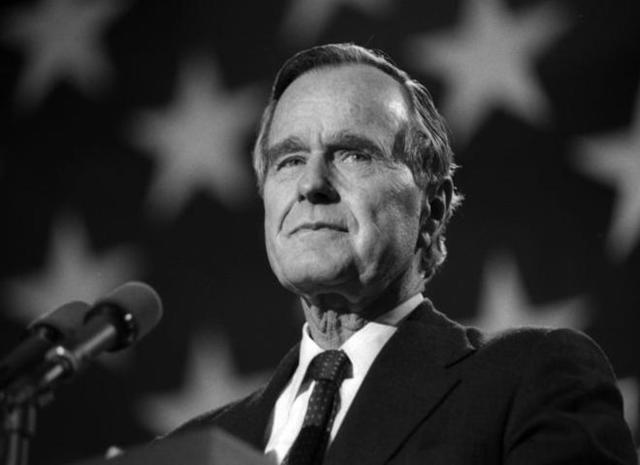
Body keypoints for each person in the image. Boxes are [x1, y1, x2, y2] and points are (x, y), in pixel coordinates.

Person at [176, 43, 636, 464]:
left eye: (353, 154)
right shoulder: (194, 447)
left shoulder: (529, 381)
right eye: (289, 160)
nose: (311, 183)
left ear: (431, 210)